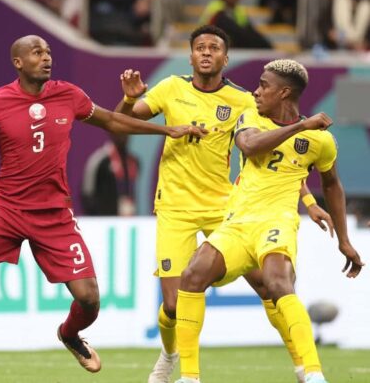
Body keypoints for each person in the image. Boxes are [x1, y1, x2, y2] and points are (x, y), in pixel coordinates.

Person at [0, 34, 205, 383]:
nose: (46, 58)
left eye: (48, 52)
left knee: (90, 300)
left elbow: (112, 120)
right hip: (6, 211)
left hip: (55, 215)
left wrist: (167, 130)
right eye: (37, 53)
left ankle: (69, 334)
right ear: (18, 62)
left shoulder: (69, 95)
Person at [117, 25, 334, 383]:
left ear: (225, 58)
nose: (206, 52)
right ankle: (170, 355)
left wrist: (308, 200)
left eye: (214, 48)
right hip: (175, 208)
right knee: (172, 305)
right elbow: (121, 123)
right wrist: (128, 99)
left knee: (269, 286)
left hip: (225, 207)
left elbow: (279, 158)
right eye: (199, 47)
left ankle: (303, 367)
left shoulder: (244, 101)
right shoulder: (170, 88)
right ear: (190, 56)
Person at [174, 59, 365, 383]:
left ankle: (314, 374)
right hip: (237, 223)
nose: (256, 91)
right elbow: (250, 146)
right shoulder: (251, 118)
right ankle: (189, 377)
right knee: (192, 275)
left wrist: (344, 240)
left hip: (277, 222)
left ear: (284, 92)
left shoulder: (321, 141)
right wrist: (301, 127)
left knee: (278, 283)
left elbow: (332, 185)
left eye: (264, 86)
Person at [200, 0, 272, 49]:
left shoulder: (238, 10)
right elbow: (233, 29)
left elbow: (250, 31)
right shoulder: (216, 7)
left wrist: (266, 46)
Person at [81, 131, 139, 216]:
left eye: (127, 131)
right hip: (104, 219)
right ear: (111, 133)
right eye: (120, 131)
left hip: (128, 218)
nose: (124, 136)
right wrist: (99, 217)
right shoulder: (99, 160)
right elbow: (87, 193)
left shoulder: (134, 161)